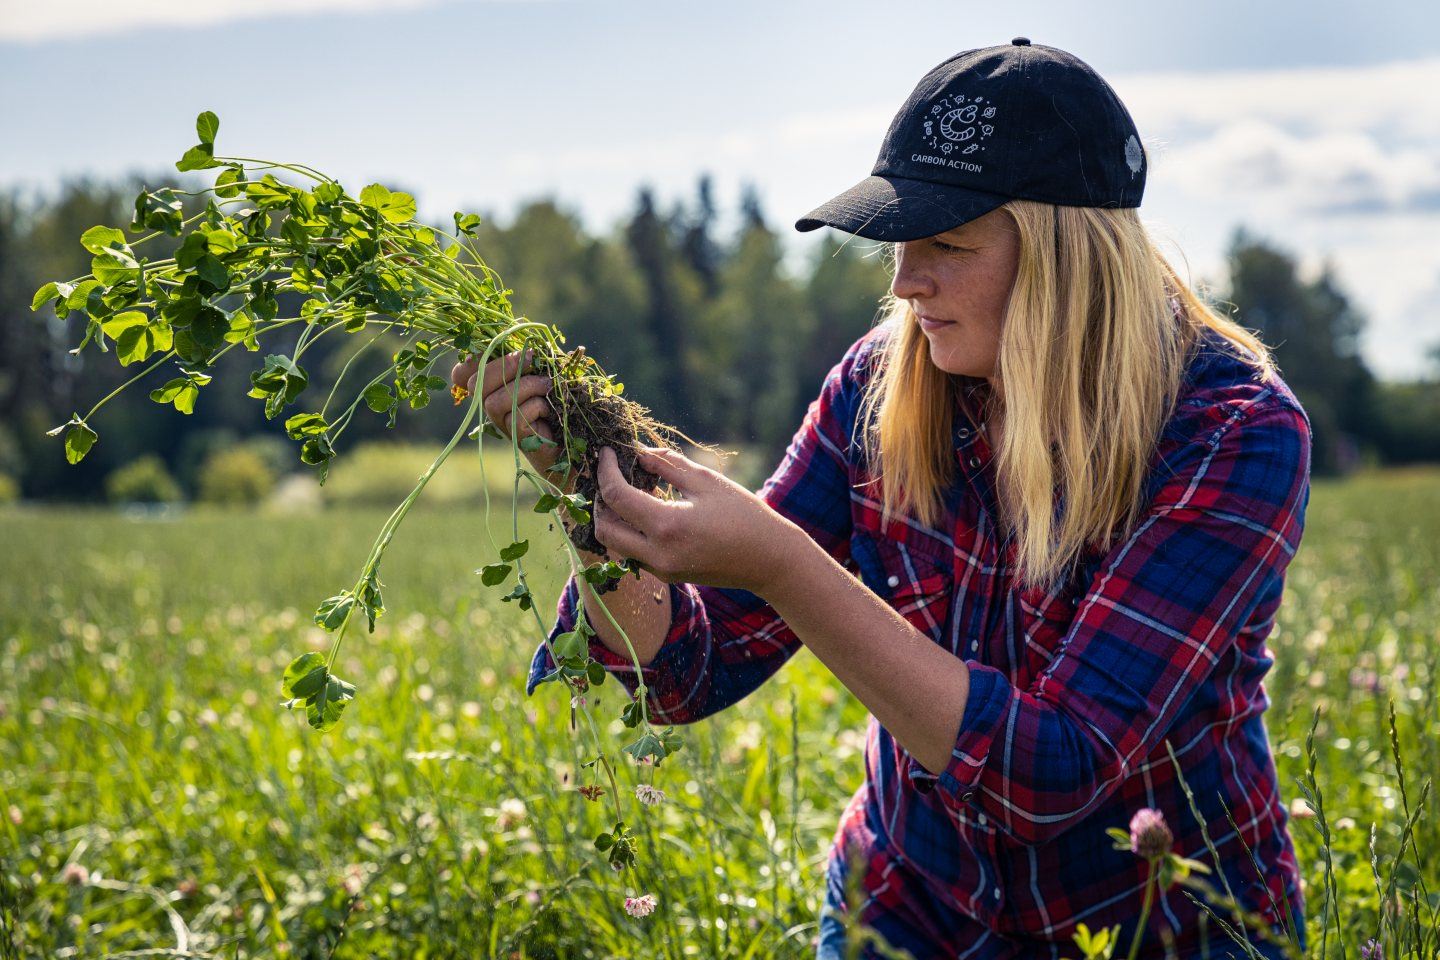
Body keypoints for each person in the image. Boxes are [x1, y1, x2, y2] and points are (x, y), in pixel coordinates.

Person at [453, 38, 1311, 960]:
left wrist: (783, 565)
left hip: (1164, 925)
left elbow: (1052, 770)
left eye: (948, 243)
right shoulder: (880, 385)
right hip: (904, 915)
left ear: (1069, 256)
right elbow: (688, 665)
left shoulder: (1231, 430)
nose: (906, 282)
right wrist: (590, 487)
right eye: (902, 242)